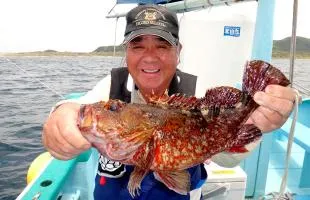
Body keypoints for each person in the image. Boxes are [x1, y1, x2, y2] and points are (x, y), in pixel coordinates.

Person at [42, 4, 297, 200]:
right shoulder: (111, 87)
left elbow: (228, 159)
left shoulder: (195, 92)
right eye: (137, 46)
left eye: (162, 46)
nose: (150, 58)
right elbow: (74, 109)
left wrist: (261, 120)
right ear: (126, 52)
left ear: (178, 51)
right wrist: (60, 117)